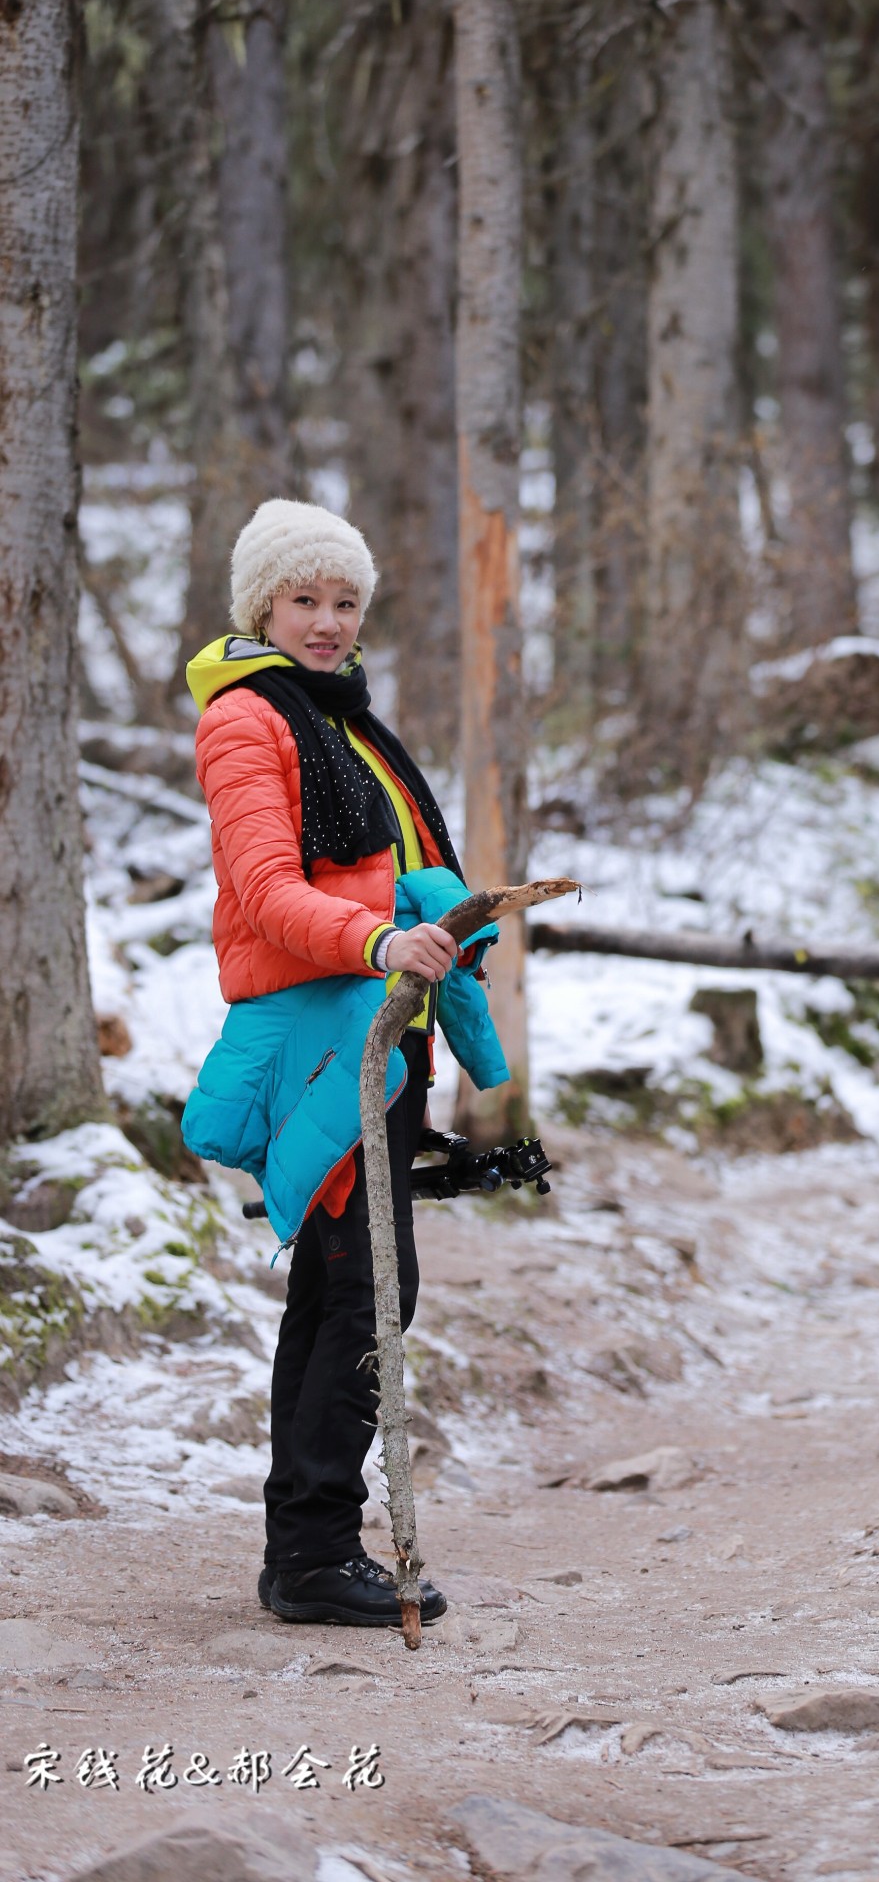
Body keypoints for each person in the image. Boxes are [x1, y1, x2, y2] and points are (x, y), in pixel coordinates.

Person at [181, 499, 509, 1627]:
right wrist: (378, 938)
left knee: (341, 1288)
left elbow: (385, 866)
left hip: (380, 1040)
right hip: (326, 1044)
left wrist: (439, 914)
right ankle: (315, 1549)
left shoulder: (346, 720)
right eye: (303, 598)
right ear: (259, 605)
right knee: (370, 1289)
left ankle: (305, 1547)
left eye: (345, 600)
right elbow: (267, 893)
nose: (327, 621)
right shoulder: (248, 723)